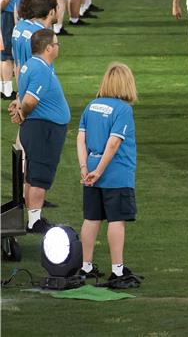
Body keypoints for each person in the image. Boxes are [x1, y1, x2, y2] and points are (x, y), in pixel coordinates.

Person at [76, 62, 142, 288]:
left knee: (91, 218)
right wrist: (100, 171)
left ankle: (85, 266)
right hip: (116, 173)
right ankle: (117, 270)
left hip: (91, 171)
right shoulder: (123, 109)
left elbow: (80, 139)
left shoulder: (91, 105)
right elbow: (114, 143)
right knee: (116, 220)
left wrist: (86, 169)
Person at [8, 29, 70, 234]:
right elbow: (30, 101)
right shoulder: (41, 70)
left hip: (39, 128)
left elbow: (23, 98)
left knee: (32, 174)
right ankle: (35, 221)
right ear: (48, 48)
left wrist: (20, 110)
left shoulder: (30, 66)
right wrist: (22, 113)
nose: (58, 47)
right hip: (43, 129)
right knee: (39, 175)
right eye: (57, 44)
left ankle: (34, 217)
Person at [12, 0, 57, 72]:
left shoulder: (21, 27)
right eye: (58, 8)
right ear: (52, 12)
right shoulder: (40, 35)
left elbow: (18, 65)